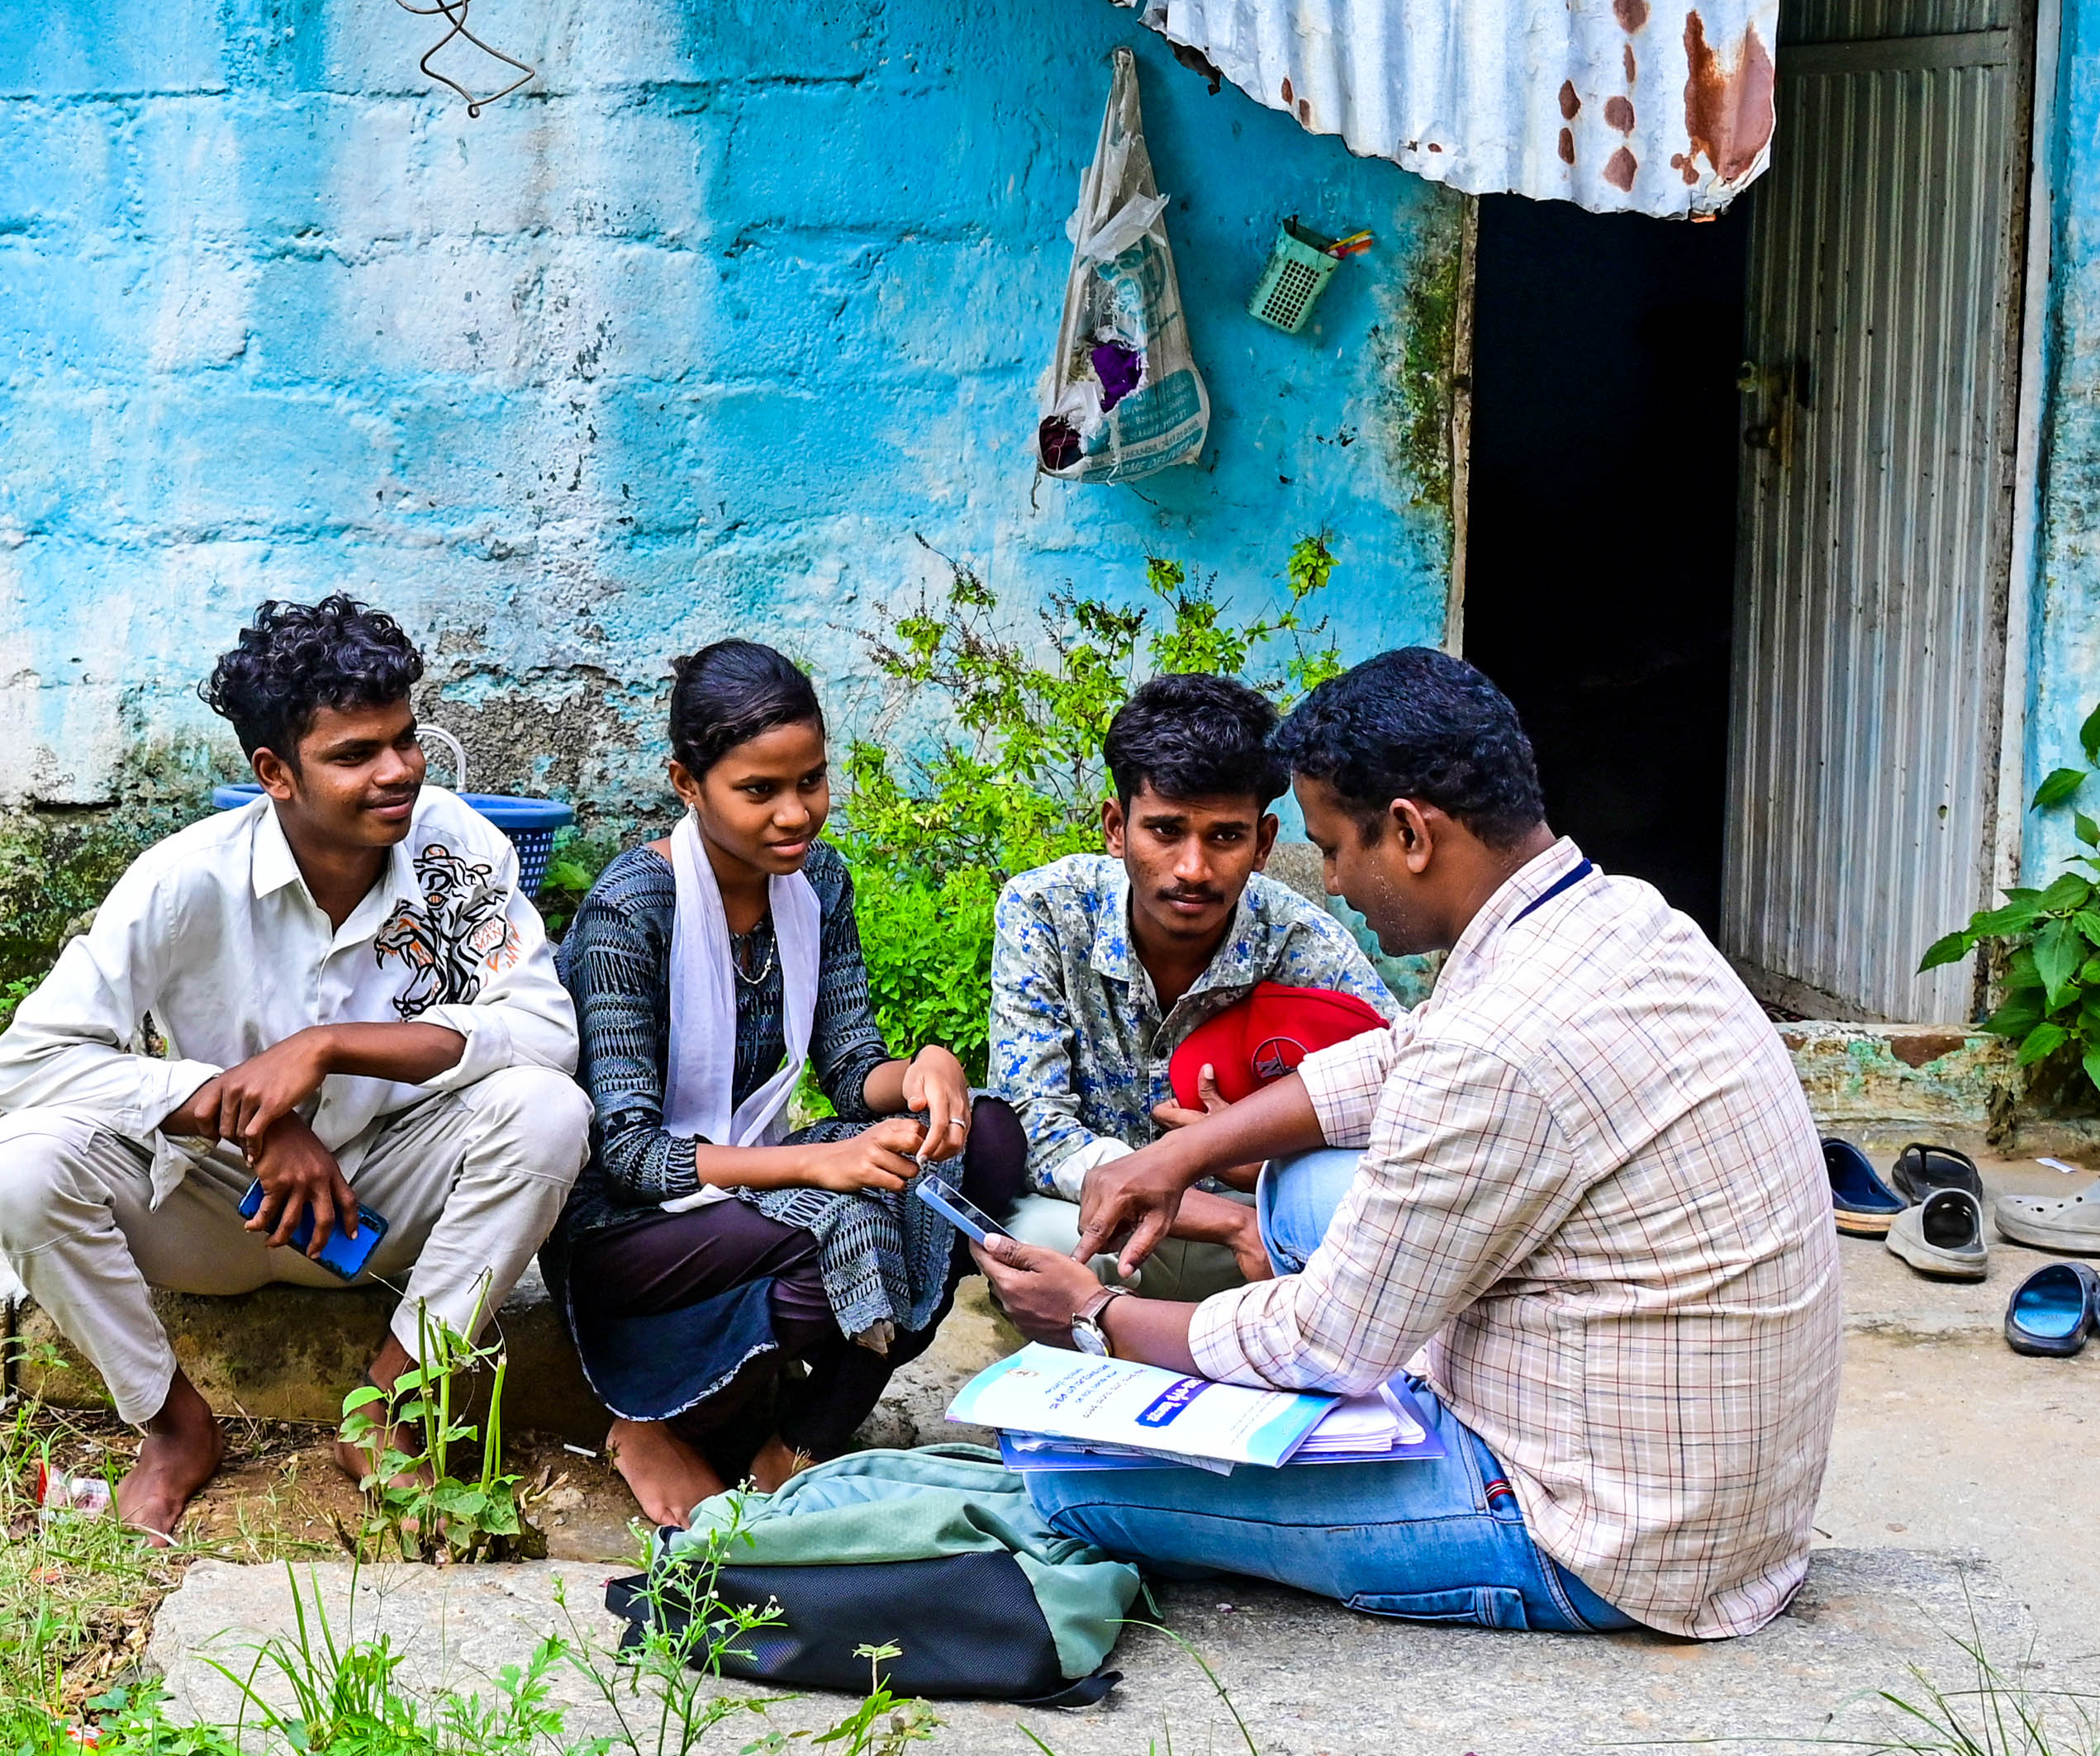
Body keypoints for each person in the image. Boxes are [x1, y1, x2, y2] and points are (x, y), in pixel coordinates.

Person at [976, 648, 1844, 1640]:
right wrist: (1185, 1149)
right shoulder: (1615, 916)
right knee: (1302, 1193)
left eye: (1335, 848)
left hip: (1596, 1534)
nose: (1334, 882)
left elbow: (1322, 1341)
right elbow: (1396, 1056)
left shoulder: (1496, 1043)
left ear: (1408, 833)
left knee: (1072, 1489)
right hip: (1708, 1492)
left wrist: (1095, 1314)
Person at [0, 596, 588, 1539]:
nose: (397, 774)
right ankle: (175, 1431)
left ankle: (386, 1411)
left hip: (387, 1204)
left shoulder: (458, 848)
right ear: (275, 773)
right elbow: (27, 1060)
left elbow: (542, 1029)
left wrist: (329, 1047)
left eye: (405, 739)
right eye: (354, 755)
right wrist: (243, 1113)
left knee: (547, 1111)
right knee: (18, 1162)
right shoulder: (186, 879)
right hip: (220, 1209)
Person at [547, 641, 1029, 1527]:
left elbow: (851, 1070)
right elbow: (626, 1156)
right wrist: (818, 1168)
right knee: (838, 1223)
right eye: (758, 790)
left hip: (744, 1182)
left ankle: (803, 1439)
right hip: (624, 1230)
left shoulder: (819, 882)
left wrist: (924, 1070)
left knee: (985, 1139)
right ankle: (661, 1414)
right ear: (686, 783)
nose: (794, 813)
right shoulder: (630, 910)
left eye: (810, 780)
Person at [988, 672, 1399, 1298]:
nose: (1192, 869)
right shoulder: (1046, 909)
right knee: (1034, 1244)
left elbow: (1404, 1106)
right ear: (1115, 827)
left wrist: (1254, 1165)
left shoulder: (1300, 942)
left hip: (1262, 1248)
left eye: (1226, 837)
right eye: (1165, 830)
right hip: (1107, 1228)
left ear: (1263, 843)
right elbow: (1035, 1125)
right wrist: (1221, 1218)